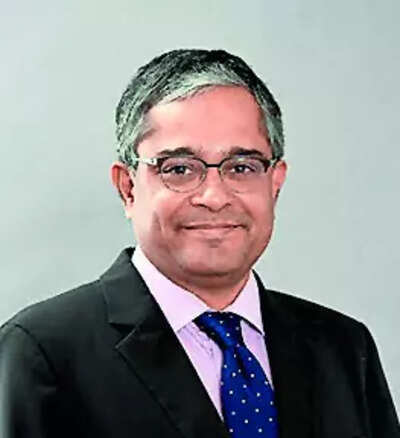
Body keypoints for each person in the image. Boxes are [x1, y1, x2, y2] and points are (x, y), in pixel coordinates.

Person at [0, 49, 398, 438]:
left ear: (275, 184)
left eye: (241, 167)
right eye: (179, 169)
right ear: (128, 188)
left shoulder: (342, 347)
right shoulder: (42, 354)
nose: (214, 196)